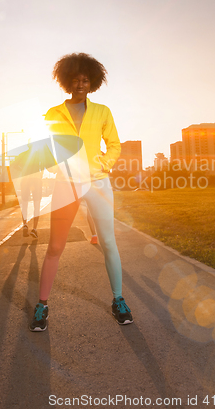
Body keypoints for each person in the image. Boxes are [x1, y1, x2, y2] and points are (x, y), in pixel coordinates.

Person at [29, 53, 133, 331]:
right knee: (55, 247)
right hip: (66, 185)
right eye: (75, 80)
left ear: (93, 82)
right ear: (67, 81)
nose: (80, 84)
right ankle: (42, 305)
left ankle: (118, 301)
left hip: (98, 183)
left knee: (108, 243)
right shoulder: (53, 114)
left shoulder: (102, 112)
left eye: (86, 80)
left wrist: (105, 162)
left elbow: (114, 145)